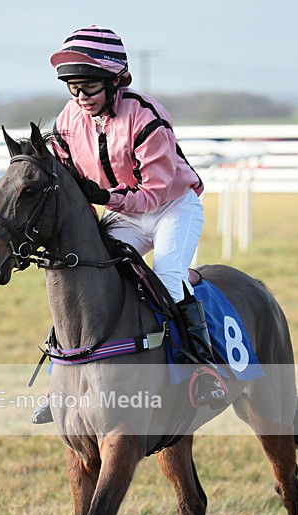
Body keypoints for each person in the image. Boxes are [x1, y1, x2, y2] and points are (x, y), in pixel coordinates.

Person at [32, 25, 227, 424]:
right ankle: (59, 383)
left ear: (116, 80)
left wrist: (103, 198)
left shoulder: (146, 116)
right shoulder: (69, 121)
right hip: (126, 212)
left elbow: (153, 194)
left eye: (89, 88)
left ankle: (204, 369)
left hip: (172, 206)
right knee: (85, 277)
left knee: (168, 276)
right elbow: (66, 179)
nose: (81, 98)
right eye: (73, 89)